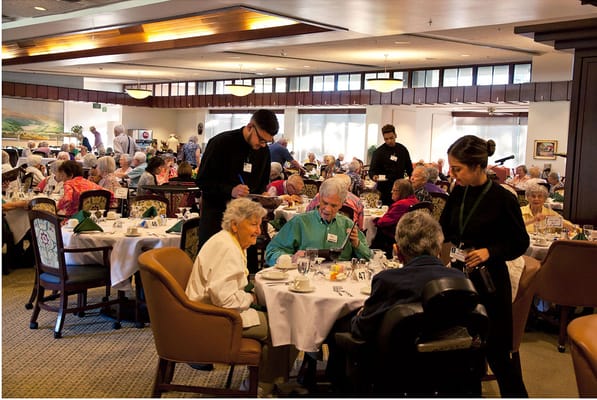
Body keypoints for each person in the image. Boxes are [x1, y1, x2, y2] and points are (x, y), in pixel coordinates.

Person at [439, 135, 529, 397]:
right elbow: (445, 229)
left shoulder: (504, 199)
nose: (452, 175)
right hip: (458, 276)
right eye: (451, 168)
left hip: (490, 282)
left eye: (457, 169)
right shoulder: (459, 192)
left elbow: (520, 243)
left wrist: (490, 251)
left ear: (477, 166)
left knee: (498, 353)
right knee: (461, 349)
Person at [185, 198, 296, 396]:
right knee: (288, 325)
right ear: (235, 225)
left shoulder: (227, 240)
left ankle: (270, 378)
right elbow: (225, 300)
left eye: (260, 224)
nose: (258, 231)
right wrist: (251, 298)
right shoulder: (227, 248)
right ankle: (262, 385)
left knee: (285, 320)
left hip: (215, 311)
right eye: (253, 224)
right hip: (215, 318)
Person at [196, 109, 278, 250]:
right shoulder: (220, 143)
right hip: (217, 219)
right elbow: (203, 181)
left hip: (247, 223)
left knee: (244, 267)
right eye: (261, 139)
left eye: (267, 142)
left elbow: (262, 183)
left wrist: (263, 195)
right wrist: (231, 190)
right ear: (250, 127)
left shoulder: (263, 151)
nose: (263, 145)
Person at [265, 177, 371, 266]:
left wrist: (357, 244)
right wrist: (291, 258)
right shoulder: (300, 222)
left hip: (339, 281)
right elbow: (271, 252)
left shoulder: (347, 225)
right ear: (319, 198)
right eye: (325, 203)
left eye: (334, 205)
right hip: (306, 279)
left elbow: (369, 258)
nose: (328, 209)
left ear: (342, 204)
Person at [370, 178, 418, 258]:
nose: (391, 192)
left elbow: (383, 222)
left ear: (402, 192)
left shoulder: (401, 204)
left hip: (395, 236)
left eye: (394, 190)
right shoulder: (414, 200)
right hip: (411, 234)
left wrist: (376, 220)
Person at [368, 124, 413, 205]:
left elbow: (409, 168)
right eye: (386, 139)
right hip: (384, 189)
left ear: (395, 135)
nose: (389, 141)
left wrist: (412, 179)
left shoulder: (402, 149)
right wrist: (374, 176)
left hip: (401, 189)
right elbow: (371, 171)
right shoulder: (378, 152)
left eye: (391, 138)